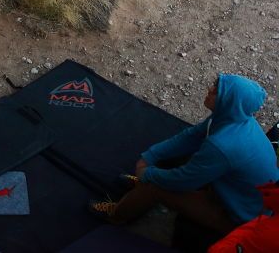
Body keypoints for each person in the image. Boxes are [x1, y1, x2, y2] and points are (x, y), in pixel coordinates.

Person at [89, 73, 279, 235]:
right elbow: (191, 136)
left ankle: (117, 215)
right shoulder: (234, 119)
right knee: (179, 162)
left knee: (155, 187)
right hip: (239, 195)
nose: (210, 89)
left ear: (229, 102)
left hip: (240, 217)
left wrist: (149, 174)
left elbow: (183, 180)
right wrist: (150, 156)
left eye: (217, 91)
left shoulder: (222, 145)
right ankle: (142, 184)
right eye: (214, 84)